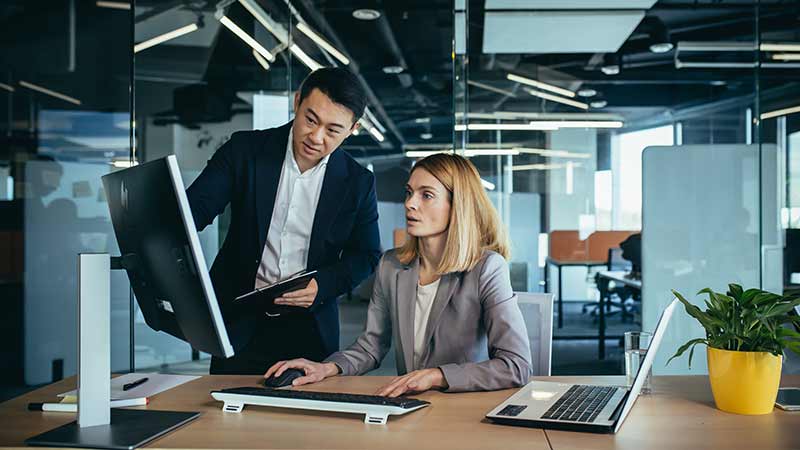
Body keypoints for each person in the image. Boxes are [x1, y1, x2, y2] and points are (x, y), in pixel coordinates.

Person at [265, 153, 532, 396]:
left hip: (463, 405)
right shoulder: (391, 265)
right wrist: (327, 368)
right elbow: (371, 347)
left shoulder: (487, 267)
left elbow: (516, 365)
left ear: (457, 205)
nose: (410, 204)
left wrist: (437, 376)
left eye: (426, 195)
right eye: (409, 192)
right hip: (408, 406)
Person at [187, 68, 382, 374]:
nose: (316, 138)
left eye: (333, 130)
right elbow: (192, 213)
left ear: (352, 128)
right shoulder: (244, 151)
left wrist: (323, 285)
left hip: (309, 326)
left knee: (303, 420)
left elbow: (367, 255)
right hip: (239, 321)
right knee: (226, 415)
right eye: (310, 120)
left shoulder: (358, 182)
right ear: (297, 102)